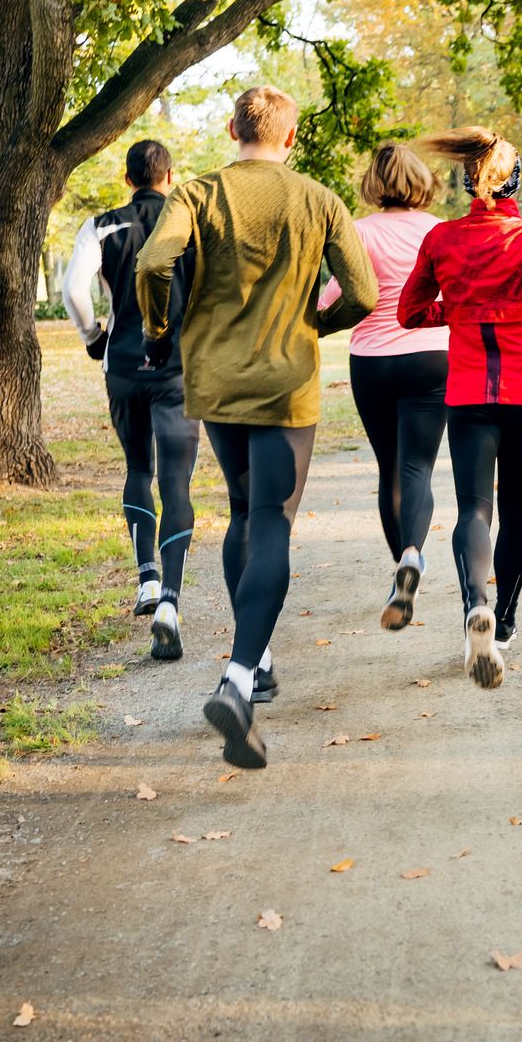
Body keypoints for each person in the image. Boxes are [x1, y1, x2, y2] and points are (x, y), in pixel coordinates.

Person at [135, 85, 377, 769]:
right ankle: (238, 680)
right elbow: (362, 292)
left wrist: (160, 331)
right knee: (271, 517)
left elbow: (154, 262)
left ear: (231, 128)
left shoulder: (197, 194)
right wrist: (312, 326)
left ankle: (259, 656)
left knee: (242, 509)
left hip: (216, 378)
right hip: (284, 380)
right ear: (290, 137)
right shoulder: (318, 199)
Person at [398, 127, 522, 689]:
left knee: (475, 509)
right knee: (517, 509)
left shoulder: (443, 239)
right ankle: (502, 623)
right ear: (516, 180)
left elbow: (408, 311)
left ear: (466, 180)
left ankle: (475, 601)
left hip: (469, 391)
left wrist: (456, 312)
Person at [62, 139, 199, 662]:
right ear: (170, 176)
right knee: (177, 479)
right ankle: (170, 602)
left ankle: (146, 577)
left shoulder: (102, 225)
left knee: (138, 467)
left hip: (121, 365)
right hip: (178, 367)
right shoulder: (188, 223)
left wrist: (91, 335)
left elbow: (74, 289)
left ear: (128, 179)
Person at [319, 144, 451, 631]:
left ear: (374, 184)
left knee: (389, 467)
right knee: (418, 465)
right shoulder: (439, 230)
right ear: (421, 180)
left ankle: (403, 561)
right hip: (432, 357)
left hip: (372, 361)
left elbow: (335, 297)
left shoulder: (358, 231)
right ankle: (413, 554)